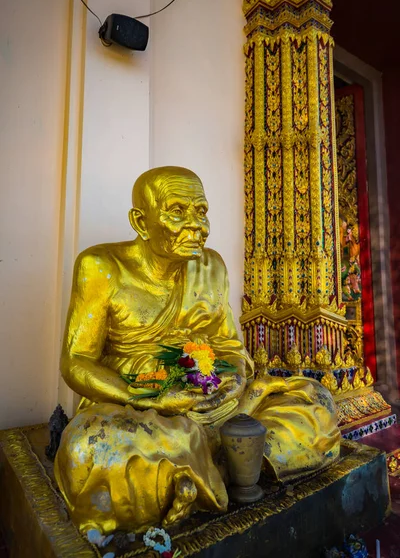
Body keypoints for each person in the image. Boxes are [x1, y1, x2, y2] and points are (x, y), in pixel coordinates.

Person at [55, 166, 340, 534]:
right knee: (87, 450)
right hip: (143, 407)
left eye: (201, 211)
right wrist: (147, 398)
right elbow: (76, 361)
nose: (197, 226)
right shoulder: (101, 267)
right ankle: (230, 462)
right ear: (140, 222)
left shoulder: (212, 267)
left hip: (215, 401)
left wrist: (235, 380)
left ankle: (198, 467)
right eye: (177, 211)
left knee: (316, 401)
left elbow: (230, 347)